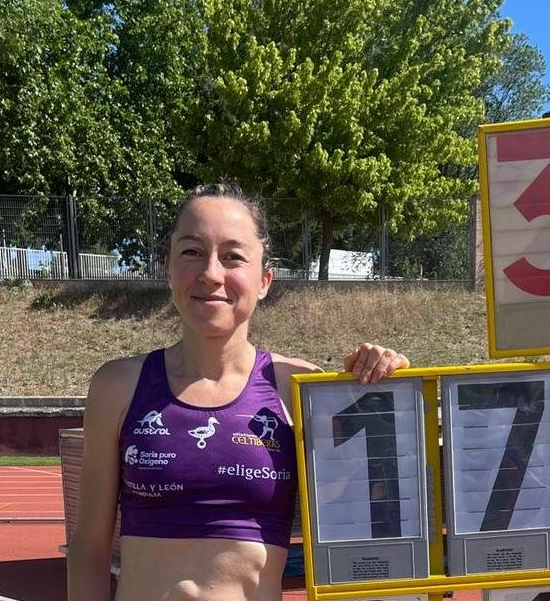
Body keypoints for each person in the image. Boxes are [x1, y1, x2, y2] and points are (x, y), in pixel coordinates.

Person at [67, 183, 409, 601]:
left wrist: (383, 382)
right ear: (168, 267)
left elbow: (364, 517)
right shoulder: (118, 387)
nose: (211, 273)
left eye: (233, 257)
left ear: (264, 280)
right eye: (191, 252)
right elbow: (88, 550)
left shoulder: (298, 386)